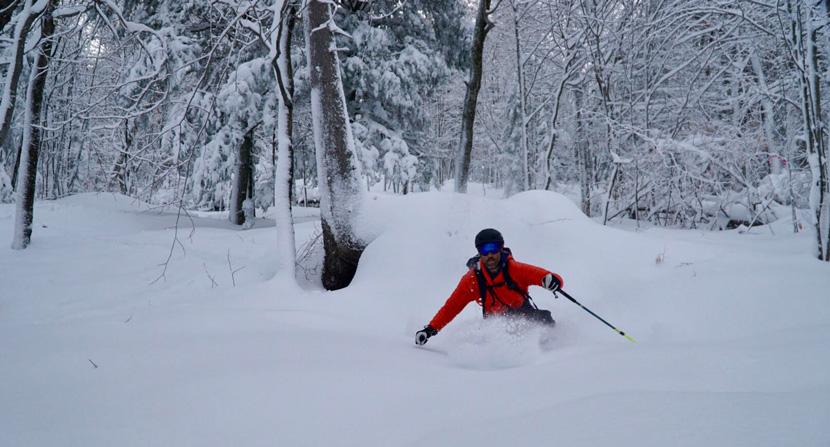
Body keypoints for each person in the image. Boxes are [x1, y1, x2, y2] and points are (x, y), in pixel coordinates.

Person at [415, 228, 564, 345]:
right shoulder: (473, 280)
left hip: (524, 314)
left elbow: (544, 276)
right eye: (485, 250)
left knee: (545, 319)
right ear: (479, 252)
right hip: (495, 324)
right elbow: (451, 307)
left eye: (494, 248)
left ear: (501, 248)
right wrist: (430, 330)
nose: (490, 254)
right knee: (499, 337)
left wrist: (553, 281)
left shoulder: (515, 270)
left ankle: (554, 349)